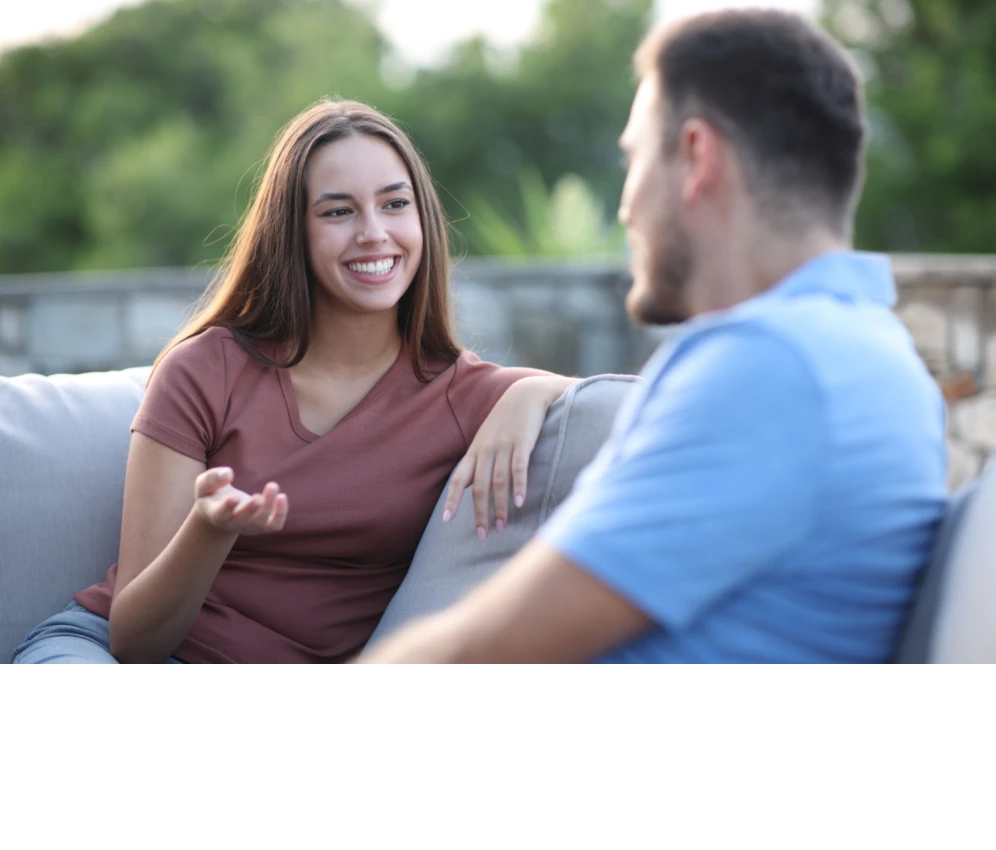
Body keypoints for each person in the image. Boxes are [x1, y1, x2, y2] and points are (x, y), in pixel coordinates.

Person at [359, 9, 949, 664]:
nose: (624, 206)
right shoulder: (870, 350)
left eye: (634, 159)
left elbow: (480, 649)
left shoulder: (769, 366)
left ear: (696, 157)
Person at [12, 100, 575, 664]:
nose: (374, 234)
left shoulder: (464, 395)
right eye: (338, 212)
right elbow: (134, 641)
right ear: (292, 232)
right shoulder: (205, 370)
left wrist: (532, 392)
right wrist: (210, 530)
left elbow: (622, 398)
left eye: (395, 204)